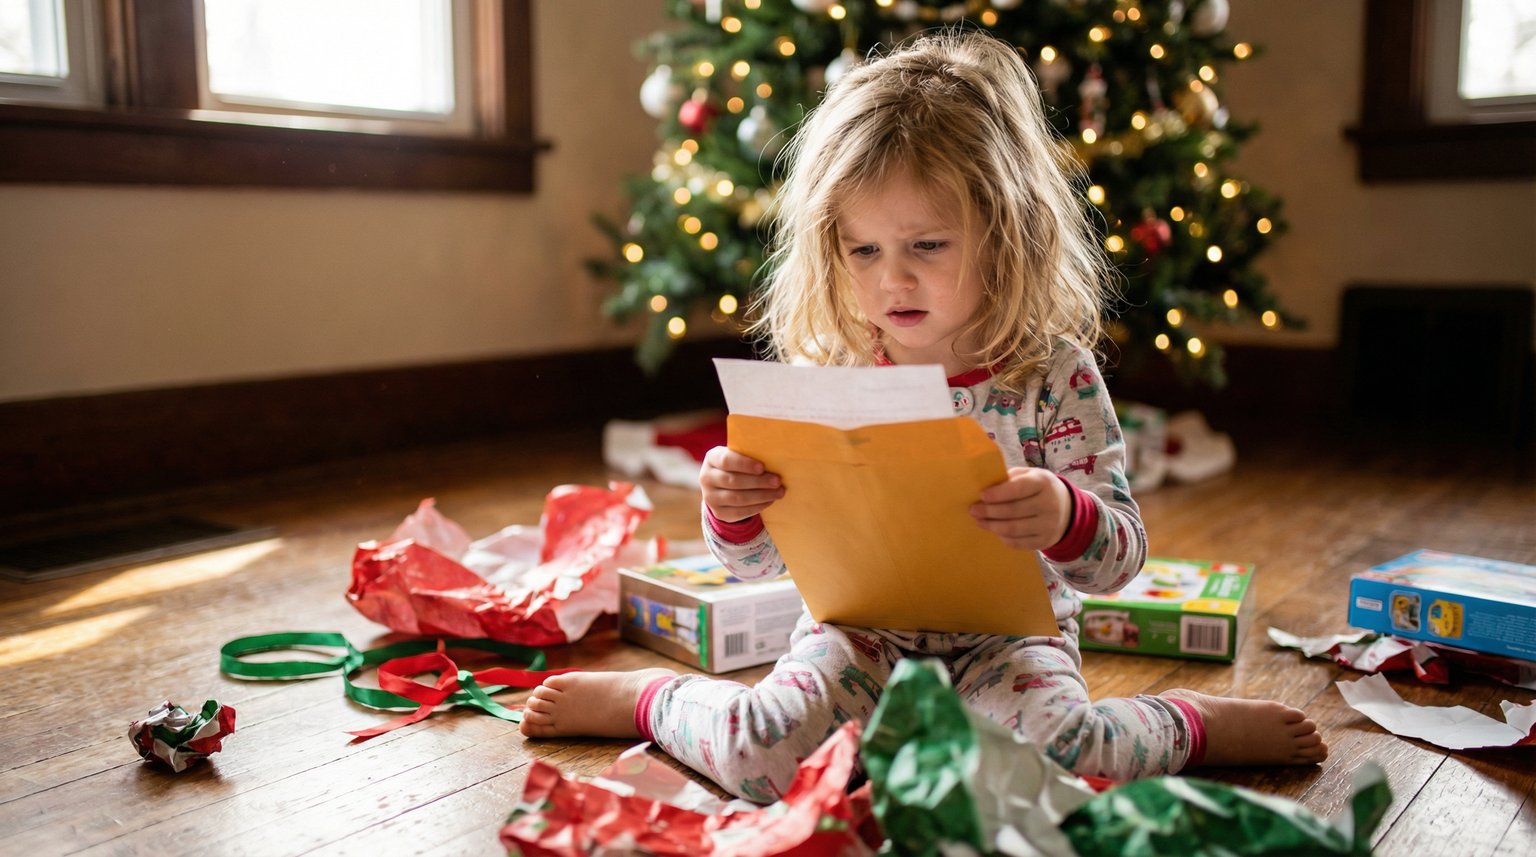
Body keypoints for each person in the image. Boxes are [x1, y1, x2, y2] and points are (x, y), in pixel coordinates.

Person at [521, 30, 1326, 802]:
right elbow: (756, 568)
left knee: (1056, 761)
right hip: (858, 634)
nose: (891, 280)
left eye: (928, 246)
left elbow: (1117, 561)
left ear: (1008, 231)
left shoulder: (1054, 377)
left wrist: (1063, 514)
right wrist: (733, 510)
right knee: (764, 755)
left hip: (1012, 642)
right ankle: (650, 702)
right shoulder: (829, 373)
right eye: (863, 250)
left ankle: (1185, 726)